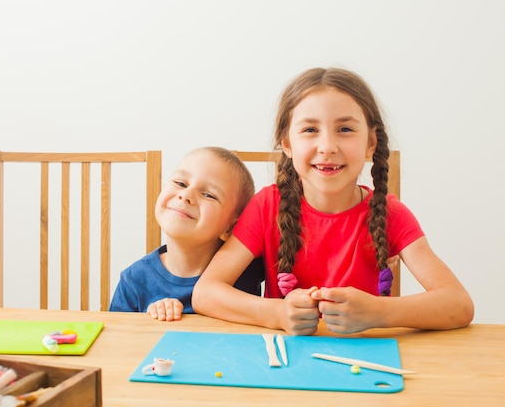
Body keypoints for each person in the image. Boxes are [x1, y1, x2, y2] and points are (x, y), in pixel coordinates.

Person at [192, 67, 474, 335]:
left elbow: (458, 304)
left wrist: (380, 312)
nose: (327, 146)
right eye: (310, 130)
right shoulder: (267, 206)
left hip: (367, 362)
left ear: (371, 142)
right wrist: (276, 314)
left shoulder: (391, 214)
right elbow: (206, 293)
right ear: (287, 144)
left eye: (345, 130)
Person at [109, 146, 264, 321]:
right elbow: (116, 340)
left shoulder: (248, 268)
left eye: (208, 195)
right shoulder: (134, 280)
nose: (185, 195)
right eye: (180, 183)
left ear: (231, 228)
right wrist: (152, 319)